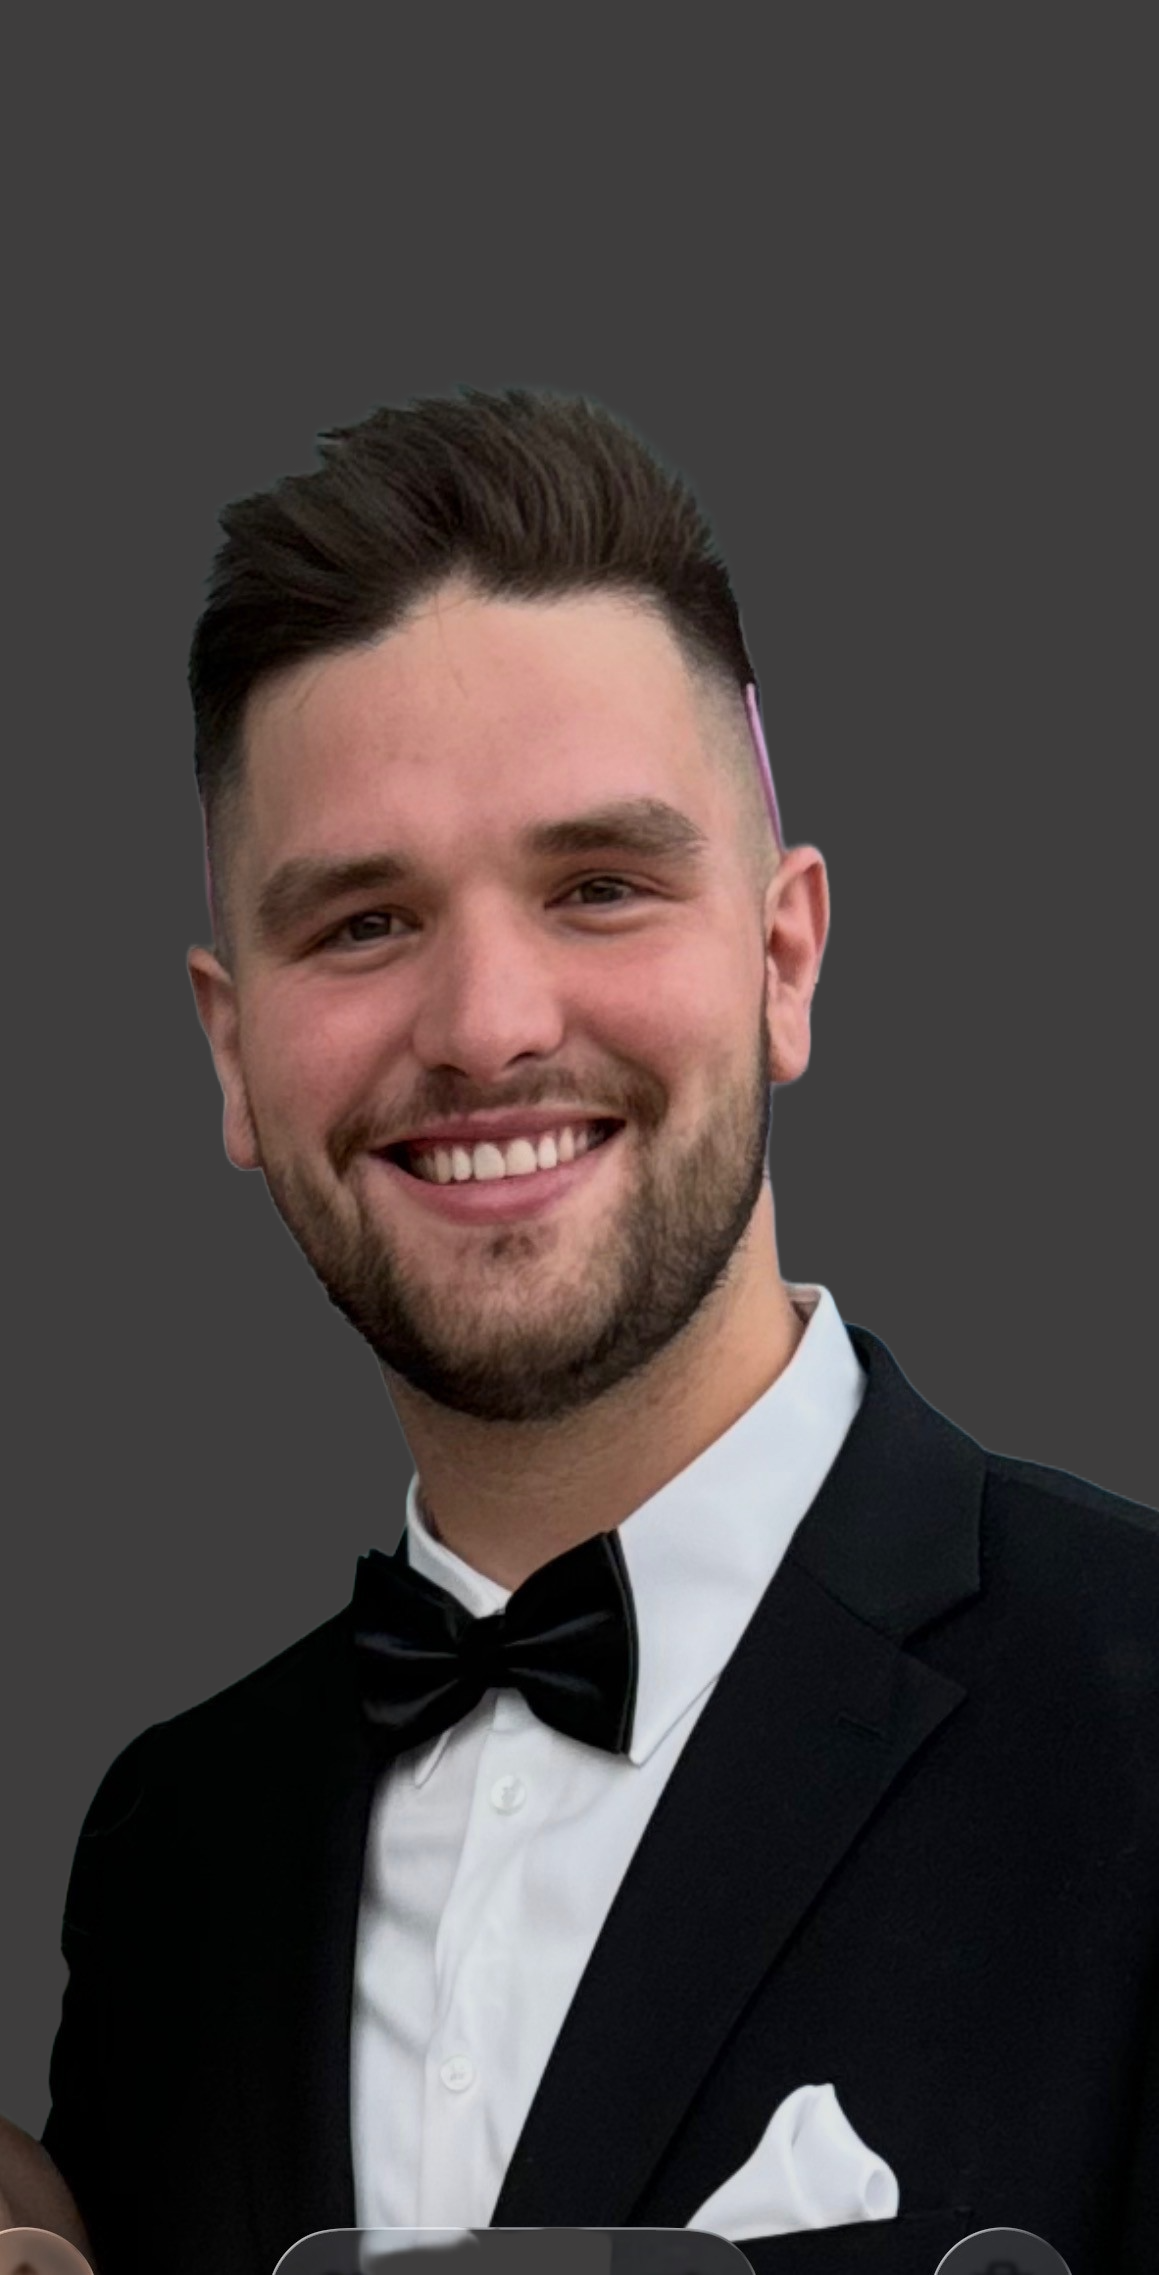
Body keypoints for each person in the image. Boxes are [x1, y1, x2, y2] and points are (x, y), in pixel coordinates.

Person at [19, 389, 1158, 2275]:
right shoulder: (167, 1855)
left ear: (782, 957)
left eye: (599, 886)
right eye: (365, 921)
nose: (484, 1020)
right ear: (233, 1050)